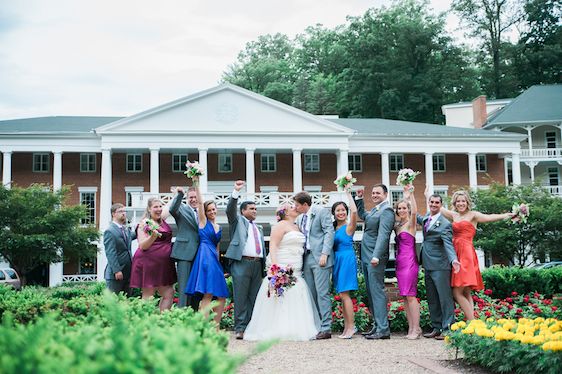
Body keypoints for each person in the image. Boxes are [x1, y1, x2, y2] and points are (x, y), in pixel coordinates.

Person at [244, 204, 320, 341]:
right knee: (280, 296)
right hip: (282, 263)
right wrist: (275, 266)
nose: (295, 207)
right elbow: (273, 245)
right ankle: (276, 328)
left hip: (296, 266)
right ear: (285, 212)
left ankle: (296, 327)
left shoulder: (297, 226)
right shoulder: (279, 226)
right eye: (291, 207)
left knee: (296, 293)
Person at [440, 190, 513, 321]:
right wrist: (426, 193)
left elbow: (490, 217)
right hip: (455, 252)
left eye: (463, 201)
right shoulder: (453, 215)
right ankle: (471, 322)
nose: (461, 203)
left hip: (466, 253)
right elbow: (438, 207)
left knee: (456, 292)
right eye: (458, 201)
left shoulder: (473, 215)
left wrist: (508, 215)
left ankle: (472, 322)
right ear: (455, 203)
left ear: (467, 202)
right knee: (466, 291)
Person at [224, 180, 266, 339]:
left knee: (255, 298)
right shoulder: (237, 221)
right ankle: (240, 328)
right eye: (251, 208)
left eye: (256, 208)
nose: (255, 211)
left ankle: (252, 326)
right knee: (241, 297)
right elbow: (230, 210)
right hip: (241, 263)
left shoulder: (258, 227)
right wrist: (235, 192)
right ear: (242, 211)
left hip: (257, 265)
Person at [185, 177, 229, 325]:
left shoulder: (219, 227)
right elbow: (199, 202)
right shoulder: (203, 222)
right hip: (204, 257)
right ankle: (202, 327)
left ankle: (215, 326)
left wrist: (219, 265)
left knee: (221, 295)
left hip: (214, 260)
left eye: (213, 209)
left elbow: (217, 247)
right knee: (208, 294)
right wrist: (196, 182)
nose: (211, 212)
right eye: (208, 210)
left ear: (217, 209)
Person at [416, 192, 460, 340]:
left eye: (437, 203)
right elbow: (417, 217)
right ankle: (437, 326)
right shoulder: (427, 218)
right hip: (427, 264)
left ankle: (448, 328)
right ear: (429, 203)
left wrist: (453, 260)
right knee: (432, 298)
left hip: (441, 266)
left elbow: (448, 244)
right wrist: (409, 199)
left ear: (441, 205)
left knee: (444, 298)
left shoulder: (445, 224)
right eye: (432, 202)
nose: (434, 205)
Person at [294, 191, 335, 340]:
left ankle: (326, 328)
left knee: (322, 293)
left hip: (320, 258)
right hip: (306, 259)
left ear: (305, 204)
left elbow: (329, 232)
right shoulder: (299, 218)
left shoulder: (321, 212)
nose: (295, 207)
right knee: (310, 294)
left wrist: (325, 253)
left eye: (297, 205)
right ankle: (315, 326)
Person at [356, 184, 394, 340]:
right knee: (371, 292)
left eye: (378, 192)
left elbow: (384, 235)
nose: (375, 195)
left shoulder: (387, 211)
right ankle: (377, 326)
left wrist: (377, 255)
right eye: (373, 193)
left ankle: (383, 328)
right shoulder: (375, 210)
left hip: (374, 257)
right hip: (366, 255)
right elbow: (363, 216)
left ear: (385, 194)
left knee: (377, 291)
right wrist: (359, 198)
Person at [130, 198, 177, 312]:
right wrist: (153, 236)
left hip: (164, 265)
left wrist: (176, 194)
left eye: (160, 206)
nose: (159, 209)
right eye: (155, 207)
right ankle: (145, 324)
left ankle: (162, 321)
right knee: (149, 295)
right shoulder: (144, 224)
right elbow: (142, 246)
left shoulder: (162, 218)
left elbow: (169, 206)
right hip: (148, 263)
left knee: (169, 293)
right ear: (149, 209)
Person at [393, 186, 421, 339]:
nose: (402, 210)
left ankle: (416, 328)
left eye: (404, 208)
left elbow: (416, 211)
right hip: (399, 263)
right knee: (404, 296)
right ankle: (411, 327)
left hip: (410, 262)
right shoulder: (397, 227)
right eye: (399, 208)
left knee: (411, 295)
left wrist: (411, 194)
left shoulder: (411, 224)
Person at [331, 191, 359, 339]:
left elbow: (354, 211)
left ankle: (351, 327)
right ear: (334, 213)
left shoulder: (349, 227)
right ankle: (347, 327)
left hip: (347, 258)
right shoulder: (333, 228)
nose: (341, 213)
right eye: (338, 210)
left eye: (343, 210)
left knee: (345, 294)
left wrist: (348, 193)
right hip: (337, 260)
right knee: (342, 295)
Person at [169, 186, 201, 309]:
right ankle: (182, 317)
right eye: (190, 197)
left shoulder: (203, 212)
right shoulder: (181, 209)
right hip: (184, 253)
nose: (193, 199)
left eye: (195, 197)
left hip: (199, 254)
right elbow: (172, 209)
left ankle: (193, 317)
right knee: (184, 288)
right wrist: (180, 195)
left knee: (196, 289)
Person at [103, 203, 134, 295]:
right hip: (115, 275)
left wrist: (143, 226)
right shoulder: (110, 231)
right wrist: (117, 270)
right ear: (113, 214)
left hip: (128, 273)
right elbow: (110, 253)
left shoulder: (125, 229)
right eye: (120, 211)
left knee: (127, 302)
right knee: (113, 303)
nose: (124, 213)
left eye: (124, 211)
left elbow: (133, 235)